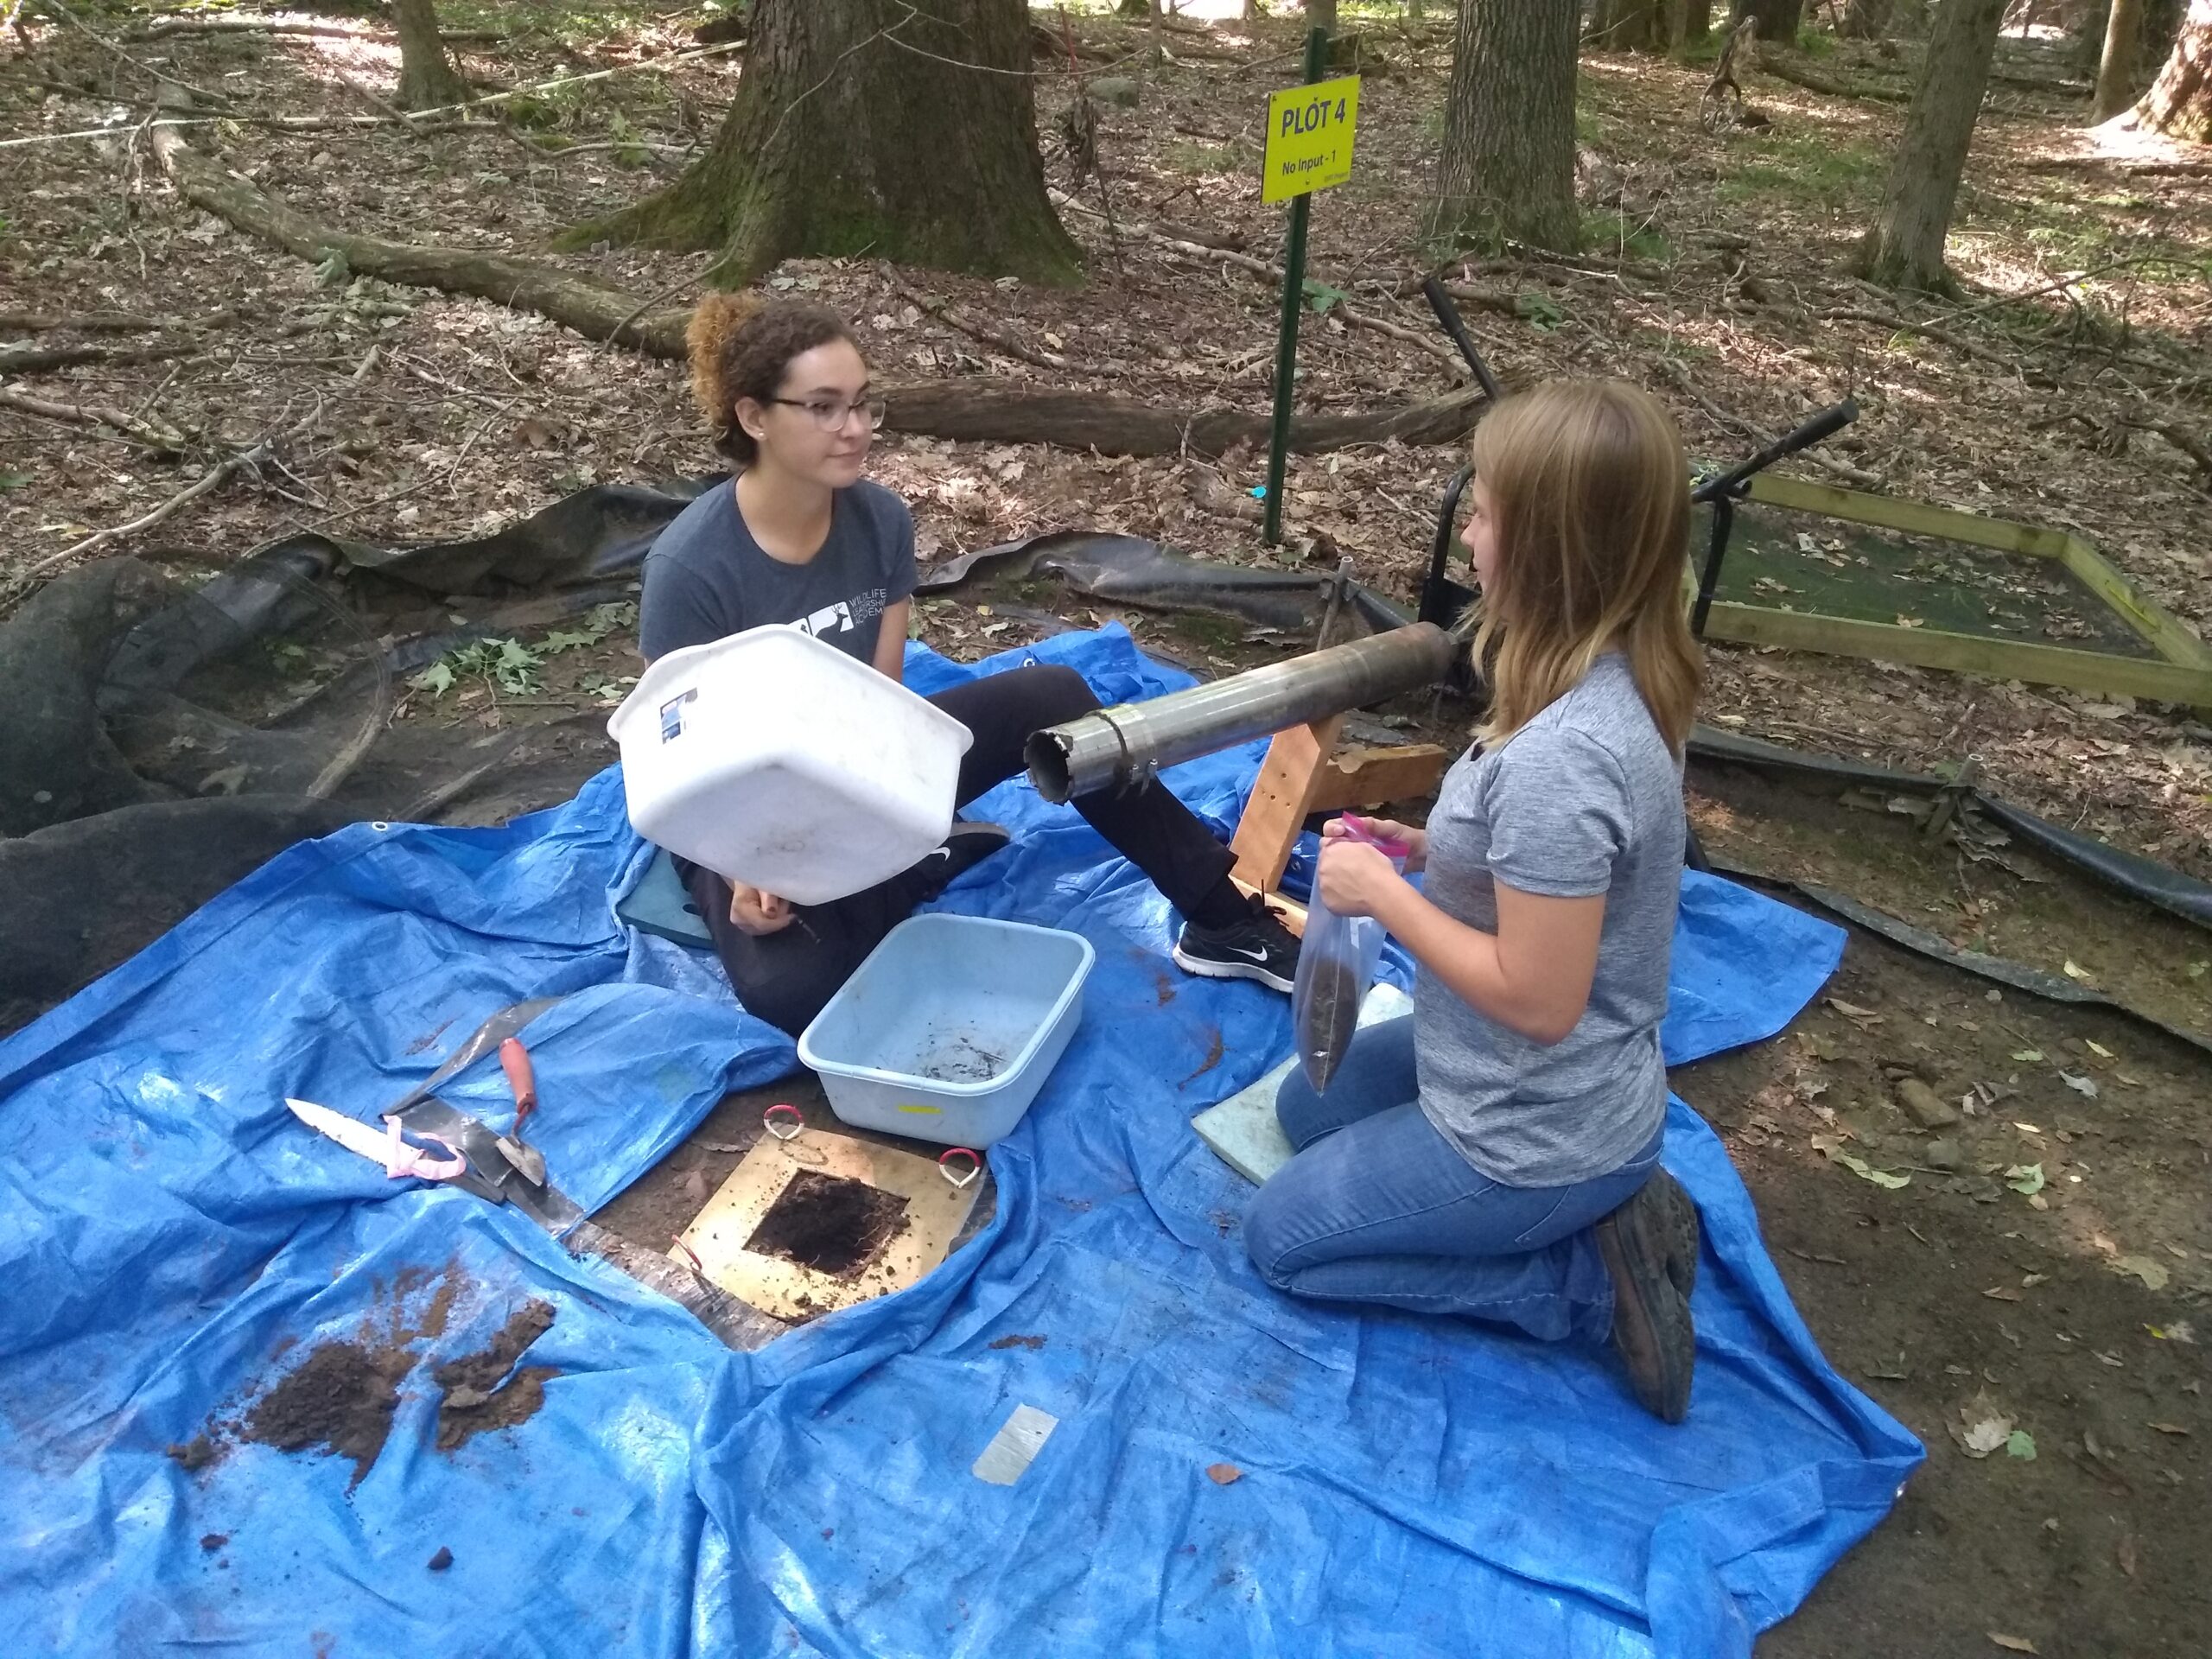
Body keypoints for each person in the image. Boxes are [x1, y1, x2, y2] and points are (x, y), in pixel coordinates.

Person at [637, 295, 1300, 1037]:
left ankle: (1219, 918)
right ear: (755, 416)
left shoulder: (879, 518)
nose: (853, 430)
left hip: (857, 764)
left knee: (1057, 693)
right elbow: (679, 770)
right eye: (823, 408)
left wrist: (883, 808)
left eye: (862, 404)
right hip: (744, 815)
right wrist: (742, 870)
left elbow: (881, 707)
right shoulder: (691, 568)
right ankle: (916, 864)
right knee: (793, 993)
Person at [1243, 379, 1706, 1423]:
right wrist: (1425, 852)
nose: (1471, 535)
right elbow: (1540, 874)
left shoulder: (1567, 757)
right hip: (1513, 1070)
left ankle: (1583, 1284)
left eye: (1487, 513)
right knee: (1303, 1106)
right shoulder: (1606, 672)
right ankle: (1595, 1214)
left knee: (1283, 1243)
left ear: (1548, 551)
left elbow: (1541, 999)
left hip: (1531, 1126)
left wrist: (1382, 898)